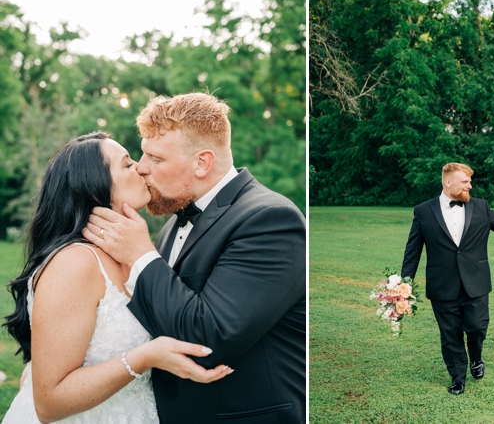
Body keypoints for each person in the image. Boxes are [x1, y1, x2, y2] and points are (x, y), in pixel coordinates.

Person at [82, 93, 307, 422]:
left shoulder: (270, 220)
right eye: (142, 154)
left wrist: (141, 256)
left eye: (156, 159)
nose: (142, 168)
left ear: (203, 162)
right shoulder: (172, 223)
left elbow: (209, 340)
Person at [2, 132, 232, 423]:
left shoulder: (135, 251)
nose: (141, 167)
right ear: (96, 189)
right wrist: (144, 357)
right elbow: (49, 404)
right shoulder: (75, 262)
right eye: (126, 164)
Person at [401, 162, 494, 395]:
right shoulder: (423, 211)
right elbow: (413, 249)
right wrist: (405, 283)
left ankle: (476, 358)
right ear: (448, 182)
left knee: (476, 327)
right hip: (441, 285)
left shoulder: (481, 207)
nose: (470, 186)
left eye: (470, 181)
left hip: (476, 283)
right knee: (450, 334)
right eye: (465, 182)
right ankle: (457, 377)